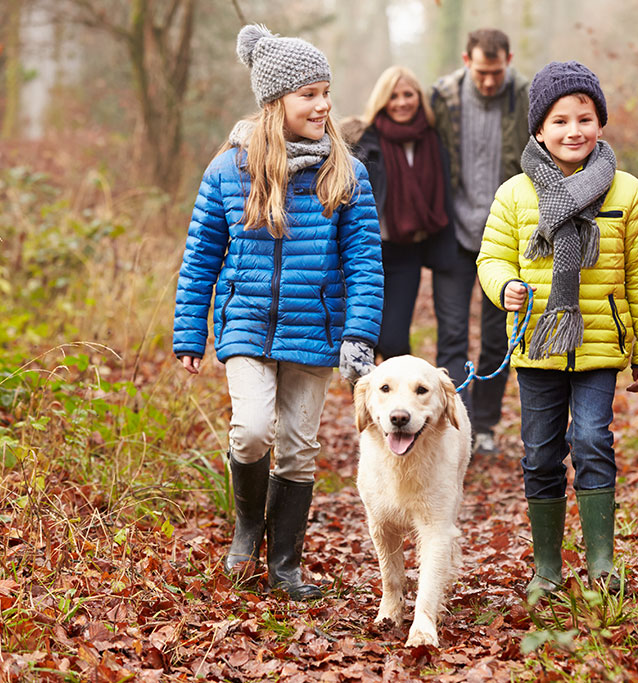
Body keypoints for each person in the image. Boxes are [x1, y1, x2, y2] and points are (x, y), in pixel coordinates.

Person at [172, 24, 383, 601]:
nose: (323, 104)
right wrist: (190, 331)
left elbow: (365, 262)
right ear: (275, 102)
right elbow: (200, 257)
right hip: (245, 323)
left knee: (297, 445)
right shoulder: (229, 171)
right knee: (251, 431)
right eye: (308, 94)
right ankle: (247, 529)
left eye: (326, 92)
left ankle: (284, 565)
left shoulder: (346, 172)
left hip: (316, 328)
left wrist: (359, 335)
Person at [477, 61, 638, 598]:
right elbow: (491, 258)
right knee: (540, 452)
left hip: (600, 345)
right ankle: (547, 567)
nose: (573, 131)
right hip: (537, 344)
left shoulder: (627, 193)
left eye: (584, 119)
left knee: (591, 441)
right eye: (559, 121)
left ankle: (601, 562)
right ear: (539, 130)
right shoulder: (515, 194)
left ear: (600, 123)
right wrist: (505, 286)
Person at [430, 28, 530, 456]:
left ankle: (484, 424)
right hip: (453, 233)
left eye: (496, 72)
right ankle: (456, 422)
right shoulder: (442, 97)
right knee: (452, 334)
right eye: (481, 72)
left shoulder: (525, 97)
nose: (489, 81)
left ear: (509, 60)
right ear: (466, 61)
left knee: (497, 336)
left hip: (506, 237)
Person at [344, 66, 454, 360]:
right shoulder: (363, 138)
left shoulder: (432, 139)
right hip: (368, 251)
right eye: (393, 96)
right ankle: (367, 388)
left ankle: (398, 384)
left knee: (394, 340)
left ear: (419, 97)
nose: (402, 102)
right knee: (365, 335)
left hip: (407, 253)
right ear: (382, 99)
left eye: (408, 94)